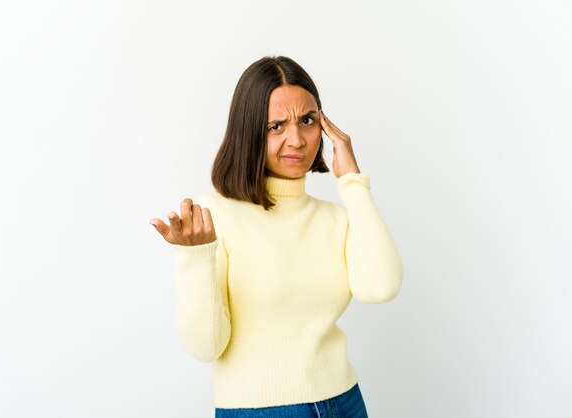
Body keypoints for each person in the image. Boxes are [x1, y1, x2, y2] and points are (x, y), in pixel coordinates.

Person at [149, 56, 403, 418]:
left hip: (345, 402)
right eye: (275, 127)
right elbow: (206, 346)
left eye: (307, 121)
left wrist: (352, 182)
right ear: (248, 132)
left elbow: (380, 287)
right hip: (259, 410)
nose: (296, 140)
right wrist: (196, 259)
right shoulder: (213, 216)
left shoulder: (337, 217)